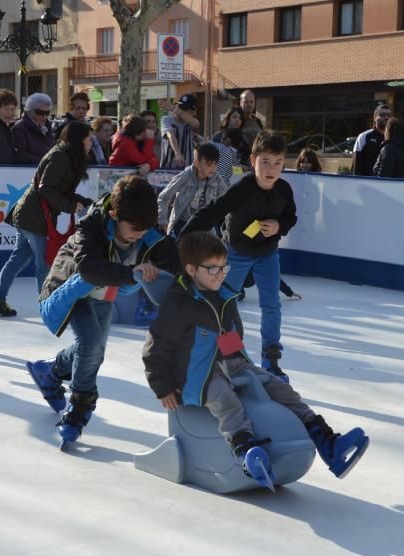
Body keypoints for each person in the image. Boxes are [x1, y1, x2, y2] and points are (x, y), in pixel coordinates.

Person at [142, 231, 369, 482]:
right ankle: (246, 451)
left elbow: (229, 333)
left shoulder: (223, 295)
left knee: (283, 390)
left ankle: (329, 444)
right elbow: (156, 347)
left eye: (223, 268)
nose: (220, 274)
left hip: (231, 362)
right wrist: (162, 387)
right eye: (213, 269)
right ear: (192, 269)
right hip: (196, 373)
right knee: (226, 400)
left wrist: (244, 365)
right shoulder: (180, 304)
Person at [26, 175, 180, 444]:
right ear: (113, 215)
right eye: (134, 229)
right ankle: (79, 410)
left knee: (94, 350)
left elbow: (178, 262)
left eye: (145, 229)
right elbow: (88, 269)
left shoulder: (148, 231)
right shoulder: (92, 226)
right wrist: (133, 273)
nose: (140, 235)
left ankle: (49, 371)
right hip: (72, 287)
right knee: (91, 343)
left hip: (104, 292)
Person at [182, 131, 297, 380]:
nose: (271, 169)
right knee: (223, 300)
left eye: (278, 162)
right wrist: (185, 234)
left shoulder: (284, 191)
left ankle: (271, 359)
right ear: (253, 159)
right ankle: (226, 354)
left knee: (271, 305)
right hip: (236, 253)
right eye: (265, 161)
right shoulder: (243, 187)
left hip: (267, 254)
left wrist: (279, 227)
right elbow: (215, 210)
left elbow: (290, 217)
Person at [0, 121, 93, 317]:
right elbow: (46, 188)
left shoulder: (68, 156)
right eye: (88, 139)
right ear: (78, 140)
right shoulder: (60, 156)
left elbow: (62, 190)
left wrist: (86, 202)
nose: (91, 142)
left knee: (19, 258)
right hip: (33, 215)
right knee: (44, 262)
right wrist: (70, 206)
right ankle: (47, 305)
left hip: (30, 213)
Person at [157, 143, 227, 236]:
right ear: (197, 163)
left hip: (205, 223)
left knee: (215, 248)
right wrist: (163, 221)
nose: (213, 168)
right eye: (209, 164)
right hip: (183, 223)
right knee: (183, 248)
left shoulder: (217, 179)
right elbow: (163, 197)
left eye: (215, 164)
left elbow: (227, 199)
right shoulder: (185, 177)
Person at [11, 93, 56, 165]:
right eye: (40, 112)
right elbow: (21, 154)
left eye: (47, 113)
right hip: (29, 171)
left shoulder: (47, 127)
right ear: (31, 111)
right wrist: (44, 162)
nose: (44, 116)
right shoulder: (19, 128)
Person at [160, 94, 199, 169]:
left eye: (184, 108)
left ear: (193, 111)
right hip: (169, 168)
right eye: (179, 106)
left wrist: (173, 108)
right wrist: (177, 153)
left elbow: (195, 125)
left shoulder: (193, 122)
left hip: (188, 170)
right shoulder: (166, 119)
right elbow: (170, 135)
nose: (180, 110)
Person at [351, 104, 391, 176]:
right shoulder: (364, 137)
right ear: (375, 117)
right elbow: (356, 165)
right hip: (367, 183)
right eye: (382, 114)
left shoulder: (393, 138)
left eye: (388, 115)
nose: (386, 117)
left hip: (386, 184)